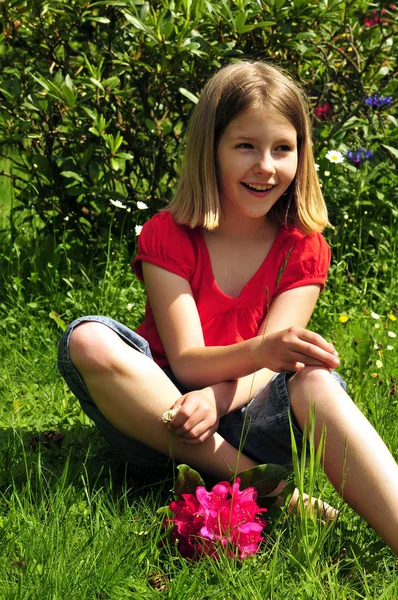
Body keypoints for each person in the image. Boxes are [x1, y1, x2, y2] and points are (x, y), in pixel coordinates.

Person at [58, 61, 398, 555]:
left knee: (314, 380)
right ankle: (272, 490)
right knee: (87, 338)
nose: (266, 166)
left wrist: (218, 398)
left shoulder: (303, 246)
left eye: (283, 148)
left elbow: (271, 368)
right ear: (210, 150)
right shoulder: (169, 234)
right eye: (245, 146)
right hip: (162, 422)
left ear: (302, 156)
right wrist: (247, 362)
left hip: (249, 418)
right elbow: (189, 360)